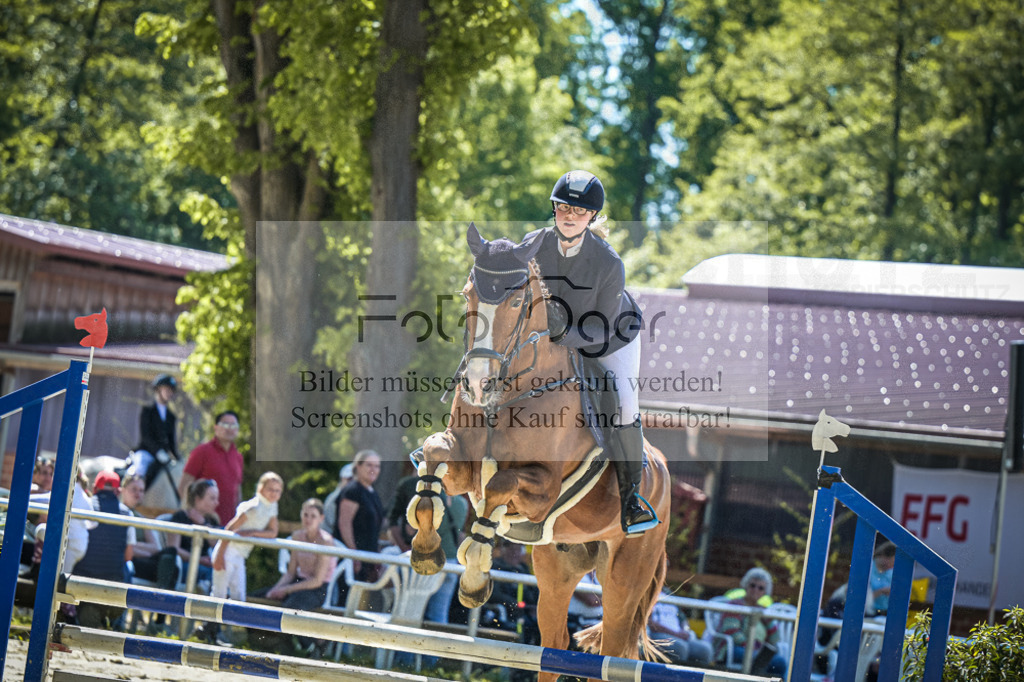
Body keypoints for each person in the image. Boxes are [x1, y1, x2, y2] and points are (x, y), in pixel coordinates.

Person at [521, 170, 654, 535]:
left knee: (624, 403)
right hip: (551, 334)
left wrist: (561, 335)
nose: (569, 215)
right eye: (563, 207)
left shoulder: (609, 262)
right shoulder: (533, 245)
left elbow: (600, 328)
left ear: (592, 217)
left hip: (610, 336)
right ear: (553, 208)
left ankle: (631, 499)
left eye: (579, 211)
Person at [387, 468, 467, 624]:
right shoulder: (462, 502)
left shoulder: (424, 496)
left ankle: (404, 649)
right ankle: (433, 648)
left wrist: (405, 546)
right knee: (438, 616)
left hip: (425, 561)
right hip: (449, 563)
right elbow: (461, 535)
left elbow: (410, 529)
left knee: (409, 613)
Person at [72, 471, 134, 630]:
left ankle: (83, 612)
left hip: (80, 578)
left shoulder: (86, 505)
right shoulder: (127, 513)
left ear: (94, 488)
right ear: (118, 491)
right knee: (128, 568)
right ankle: (115, 621)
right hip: (113, 582)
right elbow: (128, 556)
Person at [715, 568, 787, 678]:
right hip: (734, 648)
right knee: (757, 659)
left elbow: (774, 639)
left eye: (761, 588)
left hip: (758, 653)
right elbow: (731, 631)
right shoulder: (735, 605)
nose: (755, 590)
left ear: (765, 592)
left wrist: (767, 619)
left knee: (780, 662)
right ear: (746, 586)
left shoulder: (763, 611)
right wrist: (751, 647)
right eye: (752, 585)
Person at [178, 410, 244, 528]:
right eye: (225, 425)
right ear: (216, 428)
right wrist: (190, 514)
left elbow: (237, 491)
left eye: (234, 425)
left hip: (227, 525)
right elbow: (184, 486)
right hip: (201, 524)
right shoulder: (201, 452)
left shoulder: (238, 457)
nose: (229, 429)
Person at [333, 450, 384, 581]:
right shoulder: (353, 491)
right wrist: (354, 555)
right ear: (358, 466)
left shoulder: (373, 493)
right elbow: (344, 524)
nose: (374, 469)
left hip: (367, 559)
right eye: (369, 465)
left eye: (377, 466)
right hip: (351, 560)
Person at [128, 374, 178, 486]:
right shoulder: (147, 411)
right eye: (167, 389)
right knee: (139, 470)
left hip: (163, 456)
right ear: (158, 390)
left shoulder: (171, 416)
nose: (170, 393)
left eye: (171, 390)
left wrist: (177, 458)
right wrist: (158, 452)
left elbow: (171, 441)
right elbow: (145, 436)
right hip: (146, 452)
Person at [648, 589, 713, 666]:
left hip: (678, 635)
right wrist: (676, 634)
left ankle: (694, 677)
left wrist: (685, 631)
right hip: (656, 634)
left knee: (704, 650)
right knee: (680, 647)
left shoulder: (668, 592)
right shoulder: (648, 592)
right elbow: (649, 623)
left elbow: (683, 619)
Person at [119, 474, 163, 583]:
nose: (138, 493)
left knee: (169, 553)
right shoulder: (117, 513)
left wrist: (133, 546)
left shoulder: (140, 518)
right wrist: (143, 551)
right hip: (128, 561)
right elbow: (120, 546)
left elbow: (155, 547)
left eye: (141, 490)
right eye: (134, 489)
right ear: (123, 490)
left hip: (142, 559)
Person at [322, 463, 354, 535]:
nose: (352, 483)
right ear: (342, 479)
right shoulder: (335, 498)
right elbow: (333, 523)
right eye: (349, 479)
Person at [870, 541, 896, 615]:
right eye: (893, 561)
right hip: (867, 612)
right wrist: (881, 591)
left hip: (885, 613)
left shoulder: (891, 572)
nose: (893, 565)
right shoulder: (868, 568)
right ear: (885, 557)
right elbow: (859, 597)